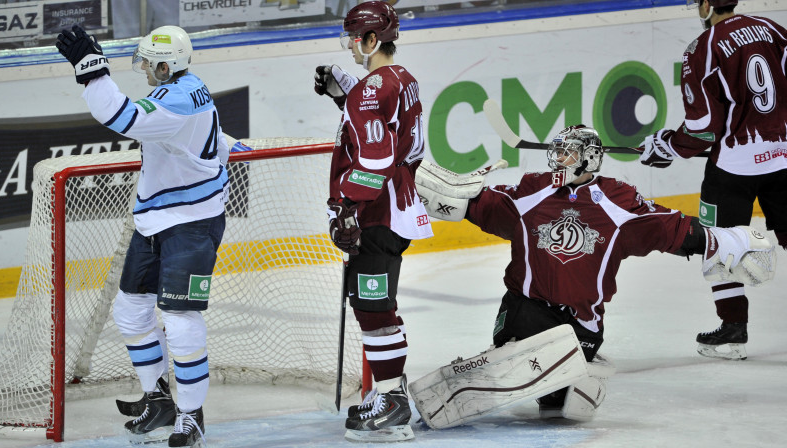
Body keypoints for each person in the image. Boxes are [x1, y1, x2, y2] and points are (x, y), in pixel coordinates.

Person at [409, 124, 775, 428]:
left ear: (588, 158)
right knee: (521, 364)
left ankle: (567, 374)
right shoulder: (532, 190)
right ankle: (506, 359)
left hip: (581, 324)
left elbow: (669, 227)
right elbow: (472, 203)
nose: (558, 159)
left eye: (566, 153)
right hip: (526, 312)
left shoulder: (617, 200)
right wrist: (426, 183)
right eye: (556, 151)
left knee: (563, 409)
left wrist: (723, 240)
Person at [56, 24, 229, 447]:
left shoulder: (175, 101)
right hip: (155, 221)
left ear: (168, 65)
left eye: (149, 63)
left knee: (180, 320)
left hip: (191, 224)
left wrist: (91, 69)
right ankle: (160, 399)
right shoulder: (187, 88)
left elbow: (119, 115)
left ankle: (191, 416)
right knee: (130, 311)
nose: (145, 70)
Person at [638, 0, 787, 360]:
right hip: (784, 157)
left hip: (733, 168)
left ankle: (733, 332)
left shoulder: (701, 49)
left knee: (721, 244)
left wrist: (668, 145)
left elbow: (704, 130)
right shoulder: (774, 30)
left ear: (706, 5)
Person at [313, 1, 432, 442]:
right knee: (378, 305)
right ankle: (390, 393)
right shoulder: (402, 79)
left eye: (354, 37)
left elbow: (376, 158)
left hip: (375, 213)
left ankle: (392, 403)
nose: (349, 44)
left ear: (371, 40)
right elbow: (392, 134)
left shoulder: (371, 87)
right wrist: (345, 94)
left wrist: (347, 204)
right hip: (397, 207)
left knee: (373, 308)